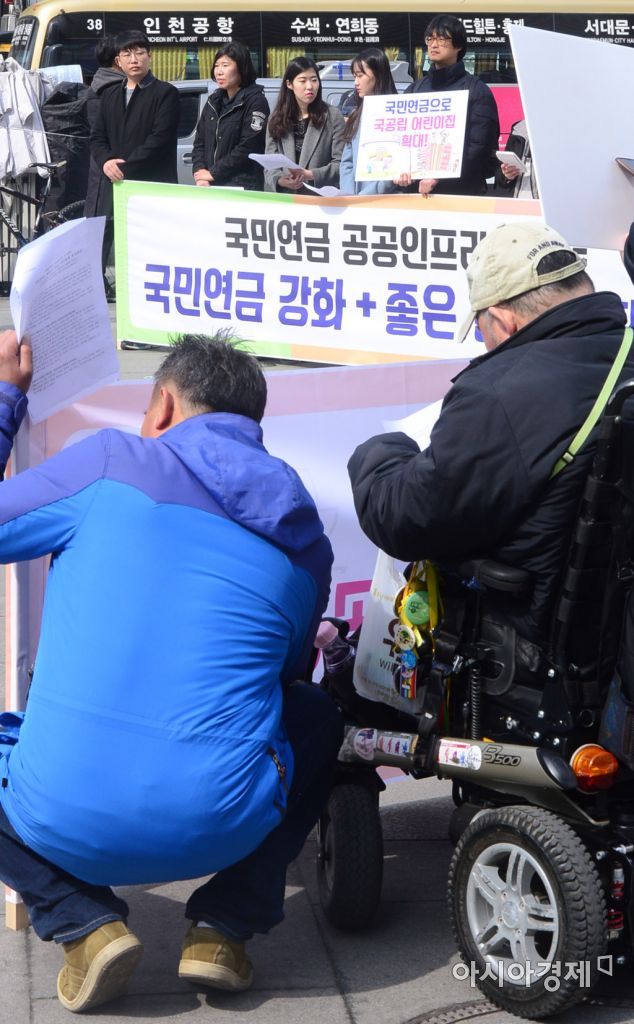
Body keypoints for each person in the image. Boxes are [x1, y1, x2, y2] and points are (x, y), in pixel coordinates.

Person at [0, 331, 342, 1012]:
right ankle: (224, 930)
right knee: (317, 716)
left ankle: (80, 921)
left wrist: (8, 395)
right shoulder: (306, 544)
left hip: (60, 815)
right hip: (224, 826)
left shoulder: (108, 463)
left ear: (161, 405)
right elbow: (281, 681)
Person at [348, 221, 634, 650]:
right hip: (611, 636)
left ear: (502, 320)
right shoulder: (624, 352)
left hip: (527, 642)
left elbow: (404, 520)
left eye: (482, 331)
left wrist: (382, 450)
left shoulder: (501, 393)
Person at [396, 14, 499, 196]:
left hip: (461, 194)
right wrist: (400, 169)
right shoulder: (415, 90)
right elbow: (401, 138)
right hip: (416, 194)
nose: (434, 45)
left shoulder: (476, 90)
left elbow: (479, 146)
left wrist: (439, 176)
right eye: (430, 39)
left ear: (458, 45)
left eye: (442, 39)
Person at [192, 41, 269, 191]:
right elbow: (199, 142)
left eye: (225, 65)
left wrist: (213, 173)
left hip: (242, 186)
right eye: (216, 66)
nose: (219, 71)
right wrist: (200, 173)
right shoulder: (213, 101)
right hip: (210, 184)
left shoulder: (256, 101)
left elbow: (248, 147)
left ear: (241, 67)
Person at [264, 56, 345, 194]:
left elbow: (341, 163)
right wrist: (280, 180)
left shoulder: (332, 116)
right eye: (302, 81)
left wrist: (310, 174)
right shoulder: (276, 118)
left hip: (319, 197)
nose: (310, 86)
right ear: (289, 84)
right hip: (286, 198)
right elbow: (270, 163)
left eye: (314, 80)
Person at [339, 48, 398, 197]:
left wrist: (367, 193)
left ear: (378, 74)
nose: (356, 82)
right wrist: (348, 194)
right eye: (354, 76)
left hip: (384, 199)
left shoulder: (396, 114)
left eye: (360, 75)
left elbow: (396, 165)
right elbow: (347, 161)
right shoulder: (356, 114)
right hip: (354, 200)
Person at [84, 35, 126, 219]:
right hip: (111, 170)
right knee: (107, 225)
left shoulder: (97, 85)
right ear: (117, 60)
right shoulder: (114, 89)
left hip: (101, 170)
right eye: (127, 53)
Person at [492, 118, 538, 198]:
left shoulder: (558, 131)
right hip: (518, 199)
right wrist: (506, 175)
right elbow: (500, 180)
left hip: (546, 201)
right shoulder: (518, 129)